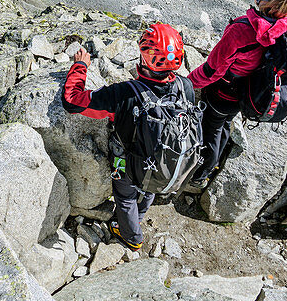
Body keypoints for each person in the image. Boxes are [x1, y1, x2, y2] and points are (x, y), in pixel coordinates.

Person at [62, 22, 191, 251]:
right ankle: (139, 216)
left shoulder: (124, 94)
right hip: (164, 161)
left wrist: (80, 66)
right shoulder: (186, 86)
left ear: (145, 57)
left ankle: (131, 236)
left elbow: (72, 100)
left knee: (125, 197)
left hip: (129, 165)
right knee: (149, 186)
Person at [188, 0, 287, 188]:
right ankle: (214, 163)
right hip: (252, 93)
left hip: (224, 93)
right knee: (225, 123)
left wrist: (185, 84)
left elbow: (212, 70)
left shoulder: (242, 31)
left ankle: (200, 174)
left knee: (212, 128)